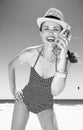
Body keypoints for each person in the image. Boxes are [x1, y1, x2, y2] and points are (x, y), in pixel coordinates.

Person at [8, 8, 78, 130]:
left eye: (55, 29)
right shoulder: (32, 53)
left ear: (62, 34)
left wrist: (62, 58)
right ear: (41, 33)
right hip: (25, 99)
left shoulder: (65, 61)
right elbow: (11, 66)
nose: (50, 33)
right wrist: (13, 89)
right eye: (46, 28)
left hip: (46, 105)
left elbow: (55, 91)